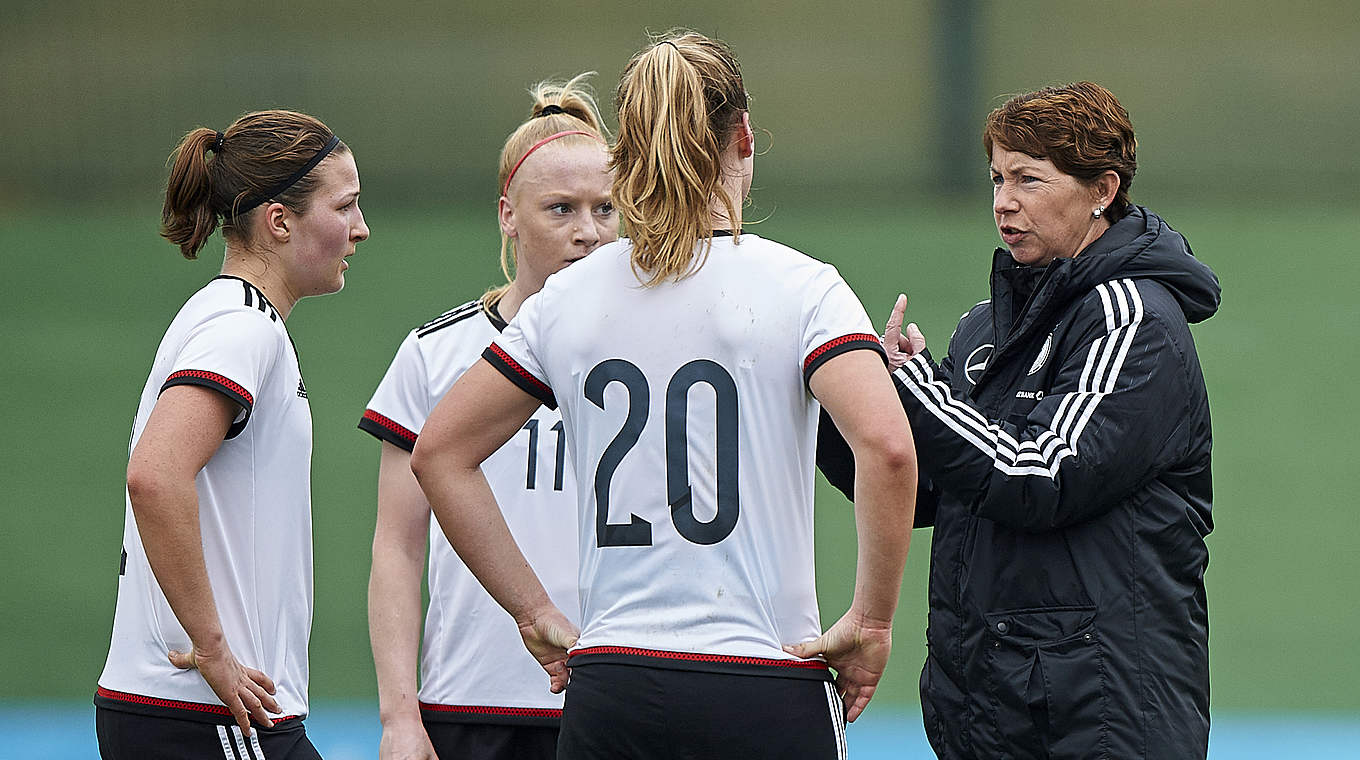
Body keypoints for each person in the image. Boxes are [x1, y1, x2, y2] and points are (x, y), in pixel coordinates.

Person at [409, 31, 918, 760]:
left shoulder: (567, 299)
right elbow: (890, 449)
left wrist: (532, 614)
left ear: (625, 157)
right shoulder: (805, 287)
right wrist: (871, 624)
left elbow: (440, 455)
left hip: (613, 686)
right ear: (743, 139)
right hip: (765, 679)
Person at [818, 82, 1220, 759]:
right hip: (987, 706)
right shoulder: (987, 326)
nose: (1004, 201)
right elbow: (929, 494)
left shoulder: (1133, 317)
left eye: (1030, 179)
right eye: (997, 178)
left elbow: (1041, 474)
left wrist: (917, 391)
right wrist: (851, 401)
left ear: (1102, 190)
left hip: (1101, 717)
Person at [95, 110, 369, 759]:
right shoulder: (241, 327)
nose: (361, 229)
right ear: (280, 221)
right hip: (208, 715)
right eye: (346, 206)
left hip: (189, 712)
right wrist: (215, 651)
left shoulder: (232, 318)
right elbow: (155, 476)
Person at [359, 73, 616, 760]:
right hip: (471, 705)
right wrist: (399, 719)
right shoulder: (435, 355)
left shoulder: (653, 353)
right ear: (508, 213)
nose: (587, 232)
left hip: (619, 698)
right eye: (559, 209)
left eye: (606, 208)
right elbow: (398, 547)